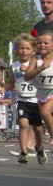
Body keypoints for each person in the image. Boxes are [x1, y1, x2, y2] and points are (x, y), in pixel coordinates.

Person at [10, 33, 45, 164]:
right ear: (16, 50)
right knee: (23, 124)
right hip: (22, 100)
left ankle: (39, 147)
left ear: (33, 50)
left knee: (37, 128)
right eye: (21, 48)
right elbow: (12, 82)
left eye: (27, 48)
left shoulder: (37, 64)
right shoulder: (14, 66)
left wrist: (30, 71)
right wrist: (4, 88)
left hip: (36, 100)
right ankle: (23, 152)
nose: (24, 51)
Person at [23, 29, 53, 163]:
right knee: (38, 126)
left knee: (45, 112)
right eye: (40, 43)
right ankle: (40, 147)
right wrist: (40, 68)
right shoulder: (35, 59)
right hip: (41, 93)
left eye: (46, 43)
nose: (42, 45)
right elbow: (27, 76)